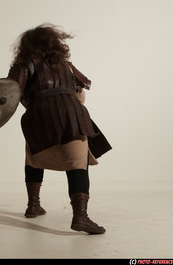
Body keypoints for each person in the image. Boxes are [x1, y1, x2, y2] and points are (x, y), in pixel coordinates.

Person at [6, 23, 111, 234]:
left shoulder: (23, 64)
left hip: (37, 116)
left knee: (34, 154)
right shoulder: (66, 65)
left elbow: (9, 94)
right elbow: (80, 94)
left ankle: (33, 205)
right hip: (71, 115)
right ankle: (80, 217)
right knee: (78, 164)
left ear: (26, 46)